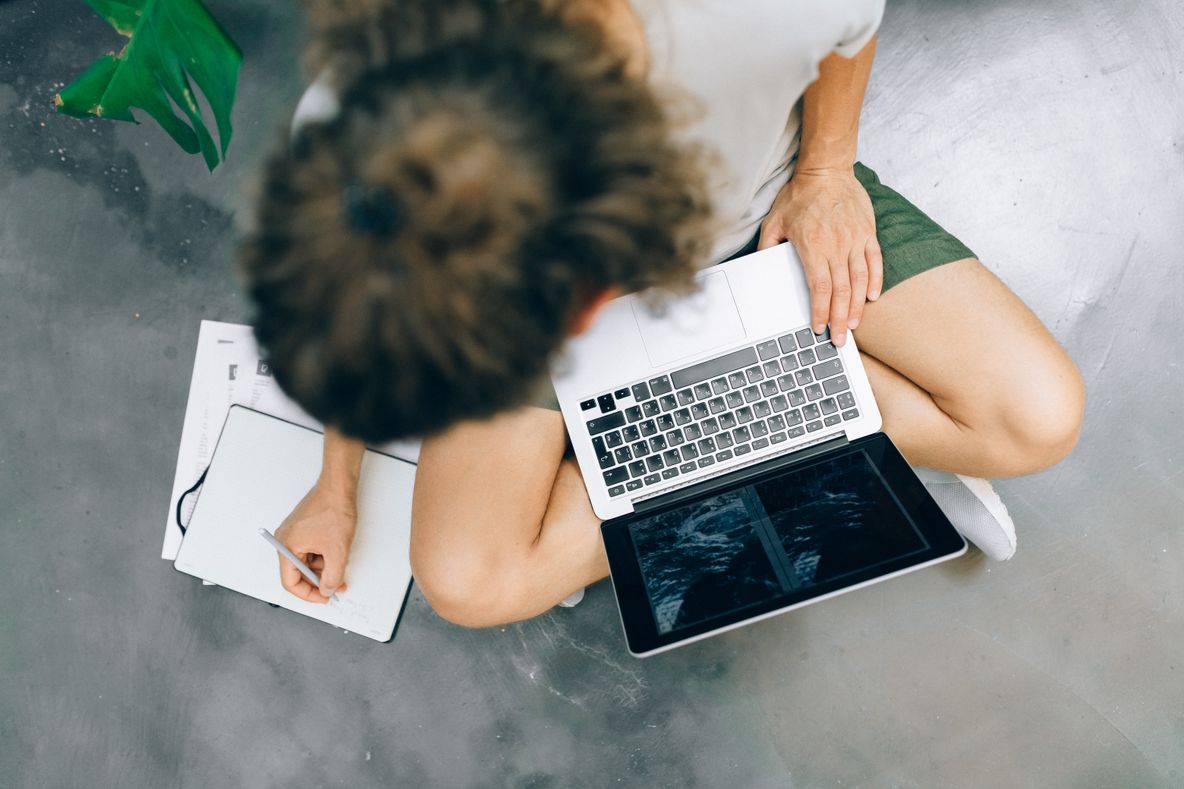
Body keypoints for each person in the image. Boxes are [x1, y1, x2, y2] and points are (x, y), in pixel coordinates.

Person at [241, 0, 1084, 626]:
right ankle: (838, 445)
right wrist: (335, 486)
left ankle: (691, 452)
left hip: (760, 218)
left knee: (1034, 418)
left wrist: (826, 172)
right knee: (467, 579)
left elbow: (847, 21)